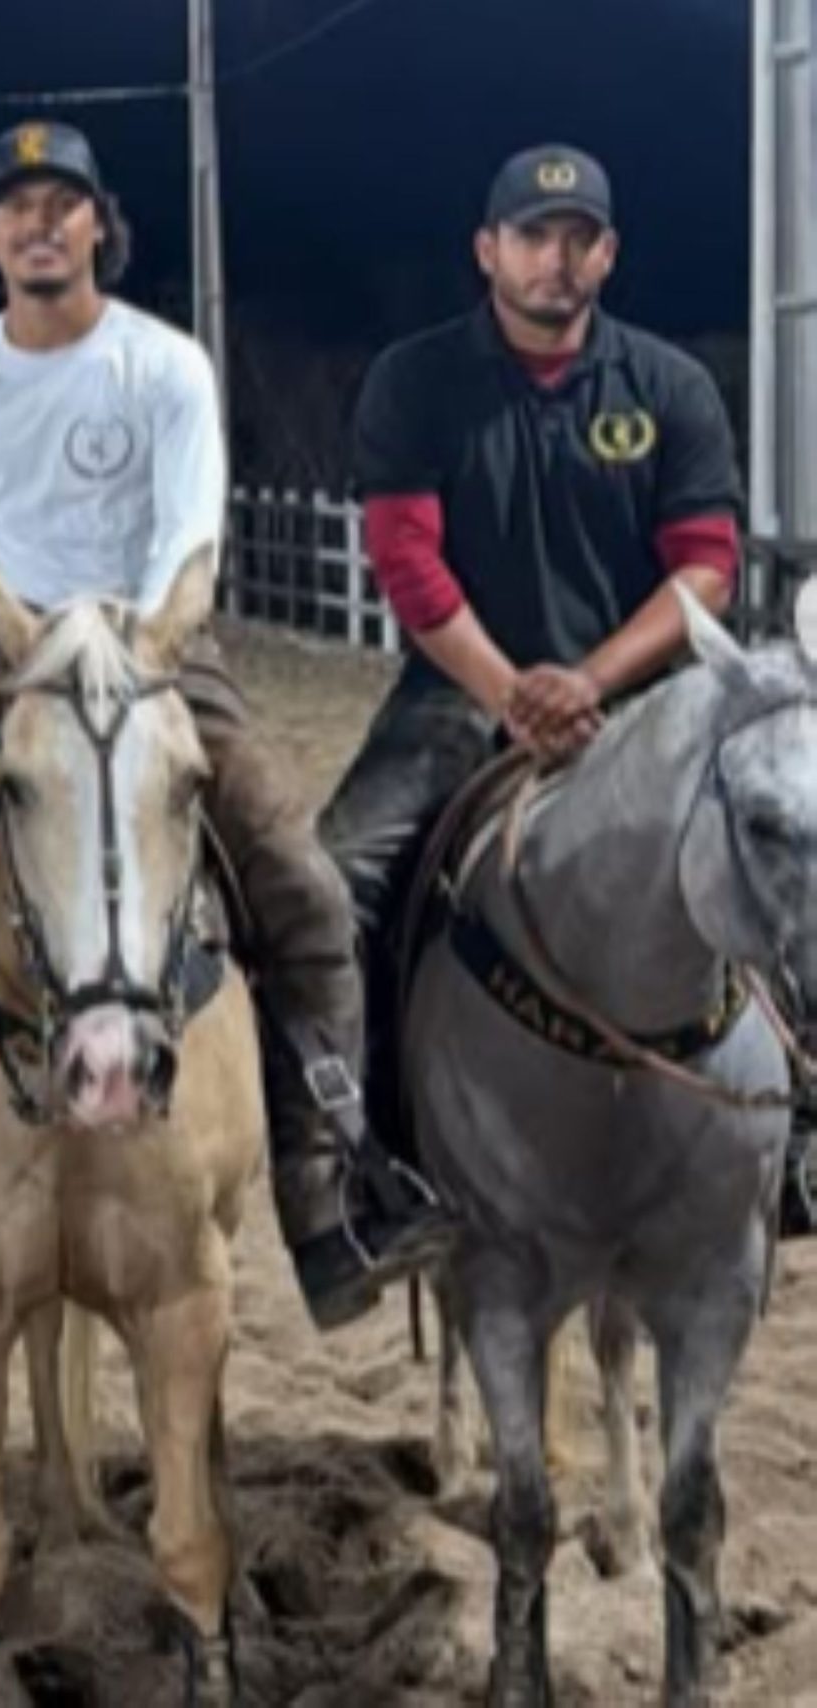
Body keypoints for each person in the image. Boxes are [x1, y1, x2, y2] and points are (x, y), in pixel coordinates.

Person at [0, 119, 455, 1332]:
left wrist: (145, 637)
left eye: (64, 204)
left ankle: (327, 1191)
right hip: (4, 657)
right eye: (17, 207)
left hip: (160, 649)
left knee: (304, 887)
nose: (40, 224)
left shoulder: (163, 363)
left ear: (99, 224)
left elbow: (186, 526)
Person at [320, 145, 801, 1232]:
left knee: (787, 843)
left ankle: (799, 1129)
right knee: (332, 882)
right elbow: (406, 562)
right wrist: (510, 692)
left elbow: (704, 566)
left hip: (646, 696)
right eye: (534, 237)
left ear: (609, 253)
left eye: (580, 237)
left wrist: (583, 679)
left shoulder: (668, 386)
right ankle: (364, 1159)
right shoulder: (417, 380)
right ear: (487, 250)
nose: (557, 258)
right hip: (456, 689)